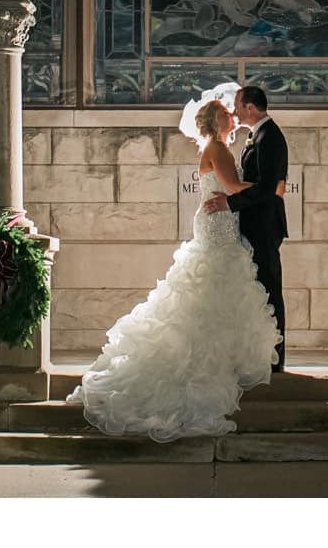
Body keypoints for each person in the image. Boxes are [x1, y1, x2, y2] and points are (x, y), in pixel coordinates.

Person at [69, 85, 281, 440]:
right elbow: (230, 185)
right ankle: (203, 361)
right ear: (217, 121)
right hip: (218, 225)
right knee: (212, 287)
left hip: (220, 222)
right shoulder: (218, 149)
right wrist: (270, 188)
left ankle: (219, 355)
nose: (233, 115)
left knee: (215, 291)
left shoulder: (219, 147)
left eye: (234, 111)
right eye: (227, 113)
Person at [204, 83, 288, 372]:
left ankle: (275, 359)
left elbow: (267, 187)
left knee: (269, 290)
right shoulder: (257, 135)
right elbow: (265, 185)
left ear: (250, 108)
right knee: (259, 290)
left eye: (238, 106)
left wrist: (230, 202)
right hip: (251, 223)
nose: (236, 112)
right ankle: (261, 354)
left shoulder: (270, 136)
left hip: (264, 225)